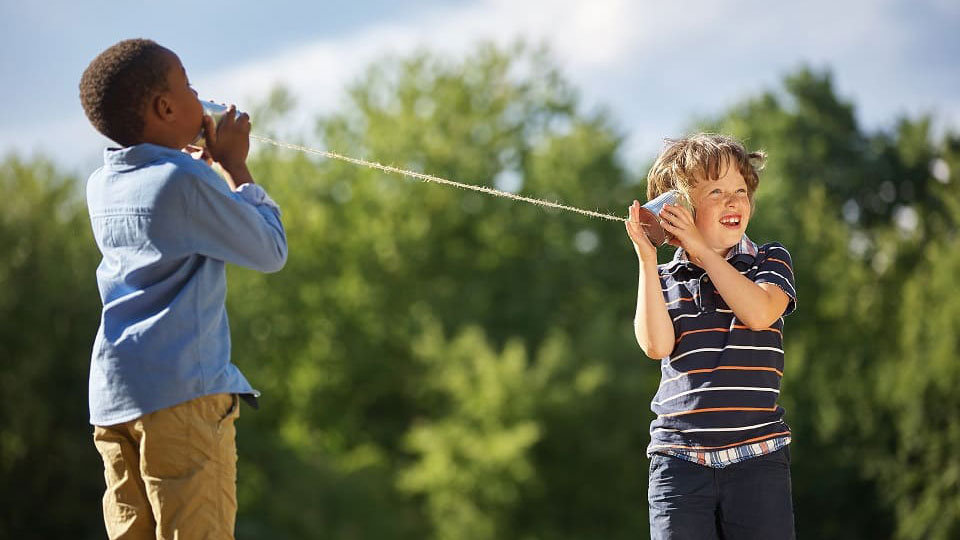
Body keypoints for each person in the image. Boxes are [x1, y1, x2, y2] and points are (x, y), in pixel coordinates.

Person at [79, 38, 288, 539]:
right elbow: (270, 249)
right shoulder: (183, 180)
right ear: (166, 108)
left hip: (114, 400)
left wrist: (197, 166)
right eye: (190, 88)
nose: (201, 97)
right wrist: (234, 167)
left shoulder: (102, 184)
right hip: (181, 399)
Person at [624, 134, 797, 539]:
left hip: (757, 459)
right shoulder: (665, 279)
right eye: (716, 192)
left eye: (740, 191)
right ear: (679, 210)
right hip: (679, 464)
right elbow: (655, 345)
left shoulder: (769, 260)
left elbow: (758, 313)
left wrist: (702, 252)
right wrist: (647, 260)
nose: (733, 201)